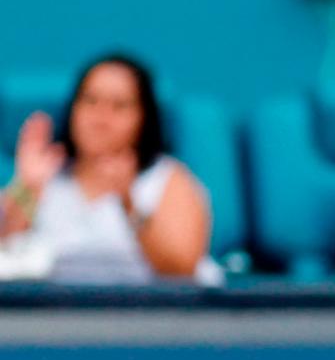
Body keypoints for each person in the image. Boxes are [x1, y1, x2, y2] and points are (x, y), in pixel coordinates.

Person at [0, 54, 214, 284]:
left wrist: (128, 203)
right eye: (90, 101)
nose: (100, 118)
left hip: (153, 314)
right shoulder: (46, 176)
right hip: (60, 314)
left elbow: (181, 270)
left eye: (119, 106)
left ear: (143, 117)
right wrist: (26, 187)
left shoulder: (167, 178)